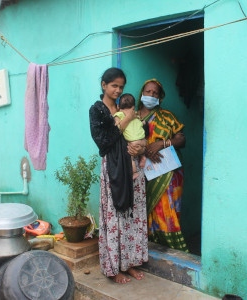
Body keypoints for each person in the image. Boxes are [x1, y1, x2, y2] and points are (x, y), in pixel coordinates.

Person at [89, 68, 148, 284]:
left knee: (133, 214)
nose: (118, 90)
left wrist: (142, 145)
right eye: (114, 85)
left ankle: (130, 263)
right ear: (104, 85)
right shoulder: (97, 110)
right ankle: (114, 268)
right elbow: (103, 142)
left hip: (134, 168)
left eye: (121, 86)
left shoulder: (126, 105)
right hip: (114, 169)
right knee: (115, 216)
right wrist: (126, 119)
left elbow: (142, 131)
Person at [137, 78, 189, 252]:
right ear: (142, 94)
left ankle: (173, 248)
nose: (151, 95)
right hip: (144, 171)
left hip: (168, 173)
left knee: (166, 210)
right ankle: (149, 246)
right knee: (144, 208)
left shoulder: (167, 116)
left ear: (160, 97)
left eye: (155, 93)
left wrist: (161, 144)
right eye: (148, 91)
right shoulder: (133, 117)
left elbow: (181, 139)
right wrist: (145, 151)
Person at [114, 93, 147, 179]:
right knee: (141, 151)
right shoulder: (134, 113)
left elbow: (116, 119)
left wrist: (117, 121)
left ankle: (134, 172)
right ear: (133, 106)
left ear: (119, 107)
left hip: (133, 141)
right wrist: (143, 122)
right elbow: (140, 121)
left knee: (130, 157)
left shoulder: (120, 114)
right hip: (142, 139)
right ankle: (143, 157)